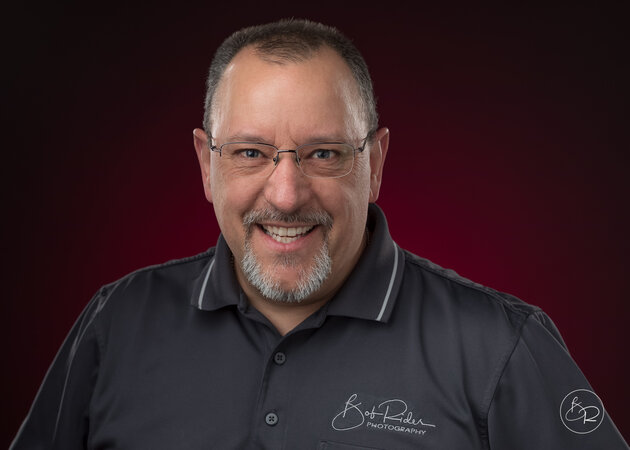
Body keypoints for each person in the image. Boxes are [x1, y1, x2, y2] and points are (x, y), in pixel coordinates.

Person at [11, 19, 628, 450]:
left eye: (324, 154)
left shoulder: (502, 347)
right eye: (251, 152)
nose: (286, 194)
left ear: (375, 164)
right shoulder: (116, 325)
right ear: (205, 164)